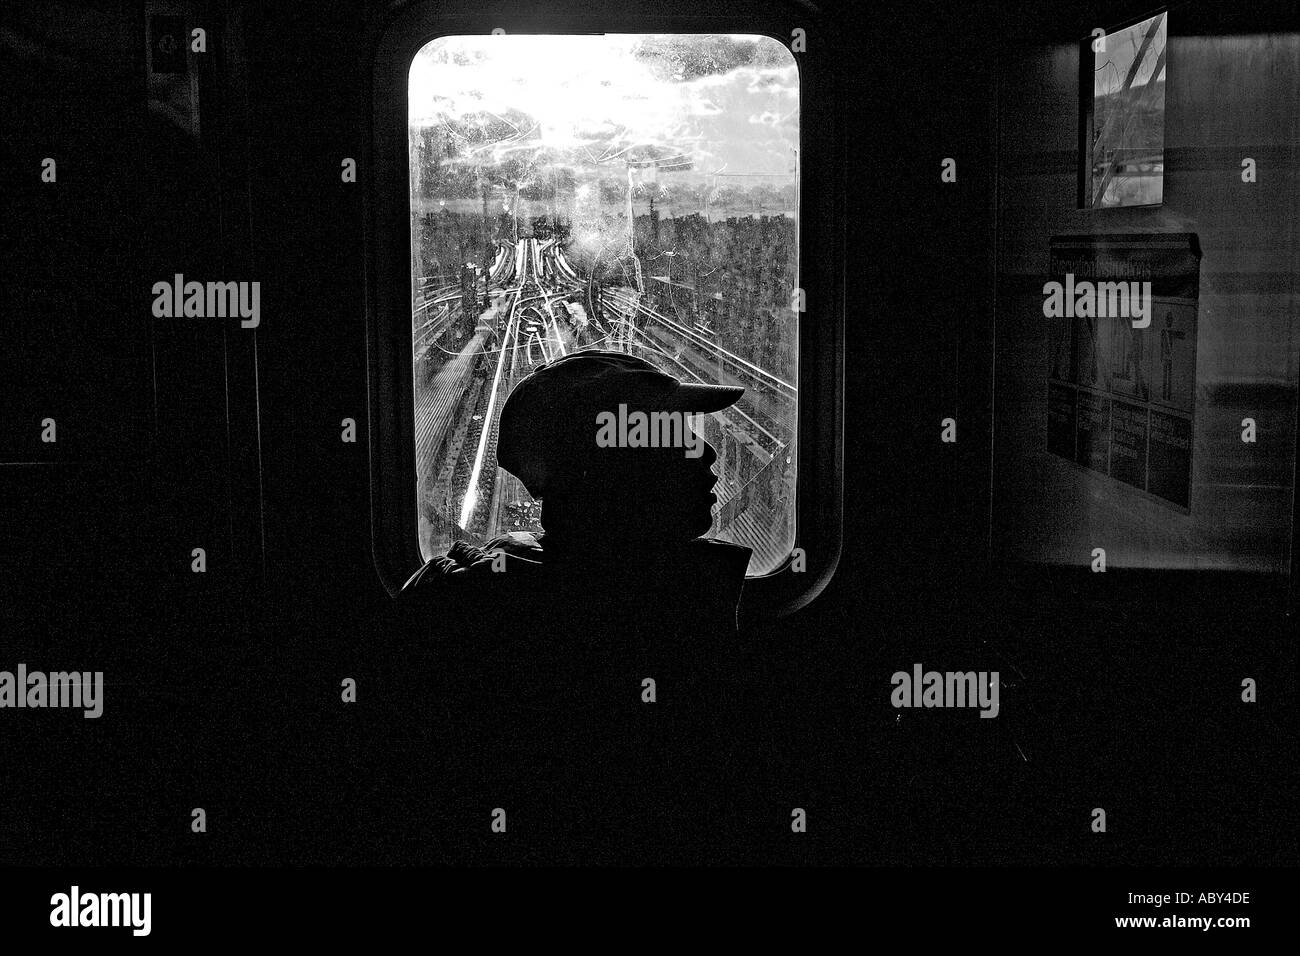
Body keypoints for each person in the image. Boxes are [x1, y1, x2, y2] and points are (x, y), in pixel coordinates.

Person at [368, 349, 754, 862]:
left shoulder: (477, 594)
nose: (705, 455)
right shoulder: (659, 607)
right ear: (613, 471)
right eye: (674, 437)